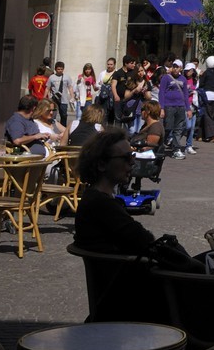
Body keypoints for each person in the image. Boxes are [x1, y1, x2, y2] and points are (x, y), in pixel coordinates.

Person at [72, 128, 172, 324]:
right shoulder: (101, 204)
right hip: (129, 298)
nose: (132, 162)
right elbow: (144, 240)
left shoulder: (98, 199)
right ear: (102, 164)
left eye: (132, 155)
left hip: (121, 290)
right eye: (126, 157)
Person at [157, 59, 191, 159]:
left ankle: (176, 149)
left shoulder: (183, 79)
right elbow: (161, 93)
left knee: (178, 129)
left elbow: (185, 94)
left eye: (177, 67)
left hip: (180, 106)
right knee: (168, 127)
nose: (175, 69)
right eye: (174, 66)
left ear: (181, 68)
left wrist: (188, 109)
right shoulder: (166, 78)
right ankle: (160, 145)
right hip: (169, 106)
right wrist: (162, 108)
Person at [46, 61, 69, 126]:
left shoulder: (67, 77)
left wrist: (72, 96)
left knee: (64, 115)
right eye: (58, 69)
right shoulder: (51, 77)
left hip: (63, 100)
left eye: (61, 69)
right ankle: (52, 126)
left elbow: (70, 87)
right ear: (55, 69)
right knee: (53, 114)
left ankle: (63, 128)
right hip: (54, 99)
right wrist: (44, 97)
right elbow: (47, 88)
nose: (60, 70)